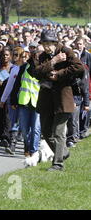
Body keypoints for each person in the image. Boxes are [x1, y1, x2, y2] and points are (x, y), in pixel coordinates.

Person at [31, 30, 85, 171]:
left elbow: (79, 68)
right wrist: (53, 61)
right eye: (45, 43)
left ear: (56, 43)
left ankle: (57, 164)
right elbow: (36, 72)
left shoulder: (66, 51)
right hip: (46, 99)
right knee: (45, 130)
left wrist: (59, 74)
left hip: (63, 97)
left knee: (58, 132)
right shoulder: (40, 56)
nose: (48, 46)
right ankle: (63, 152)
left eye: (50, 43)